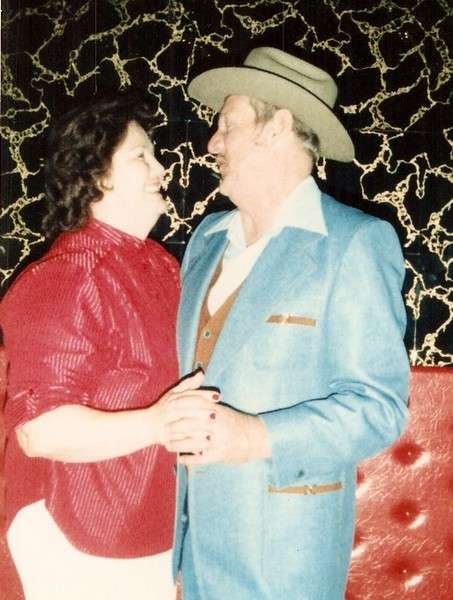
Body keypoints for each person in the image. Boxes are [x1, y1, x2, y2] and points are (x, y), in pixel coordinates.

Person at [167, 47, 409, 599]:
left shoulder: (354, 242)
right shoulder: (207, 240)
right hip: (195, 551)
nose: (212, 143)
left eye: (228, 125)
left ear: (275, 127)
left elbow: (379, 408)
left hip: (285, 562)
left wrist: (256, 436)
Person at [0, 94, 216, 600]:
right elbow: (40, 431)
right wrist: (160, 423)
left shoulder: (158, 264)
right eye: (141, 156)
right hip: (78, 534)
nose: (161, 168)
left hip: (148, 526)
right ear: (96, 175)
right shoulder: (65, 277)